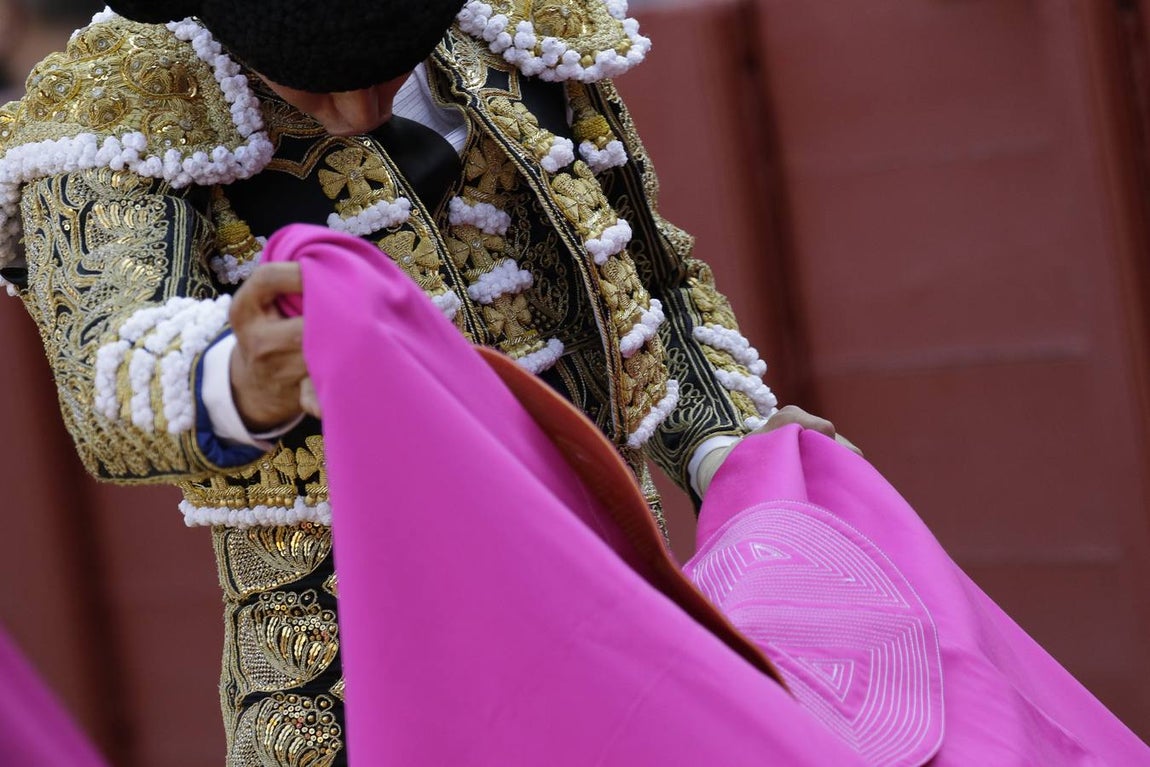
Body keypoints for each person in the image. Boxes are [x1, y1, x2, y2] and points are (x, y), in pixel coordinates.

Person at [0, 1, 840, 762]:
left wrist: (731, 455)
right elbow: (106, 371)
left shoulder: (516, 39)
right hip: (339, 673)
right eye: (316, 83)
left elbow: (651, 285)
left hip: (620, 609)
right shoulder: (113, 103)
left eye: (390, 62)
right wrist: (234, 374)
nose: (362, 110)